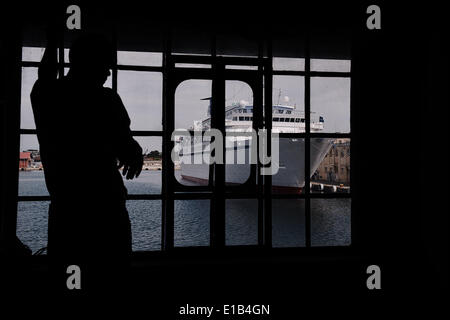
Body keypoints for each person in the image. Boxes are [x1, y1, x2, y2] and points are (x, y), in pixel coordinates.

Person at [31, 31, 143, 292]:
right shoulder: (108, 101)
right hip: (108, 212)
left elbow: (45, 74)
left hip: (67, 213)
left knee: (70, 282)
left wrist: (53, 37)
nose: (109, 71)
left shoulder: (48, 95)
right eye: (106, 63)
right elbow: (126, 146)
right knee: (113, 279)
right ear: (90, 62)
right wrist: (134, 152)